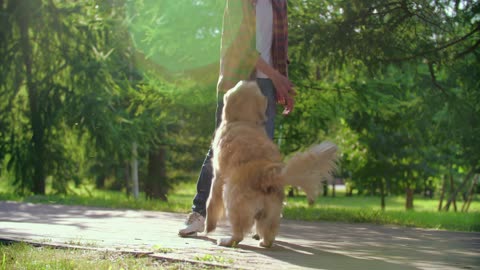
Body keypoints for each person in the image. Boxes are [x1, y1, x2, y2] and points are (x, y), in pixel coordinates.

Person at [179, 0, 295, 237]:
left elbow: (279, 49)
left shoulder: (279, 3)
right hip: (237, 82)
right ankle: (199, 213)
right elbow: (241, 45)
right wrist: (276, 77)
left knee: (264, 156)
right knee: (222, 149)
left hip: (267, 85)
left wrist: (283, 85)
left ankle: (261, 220)